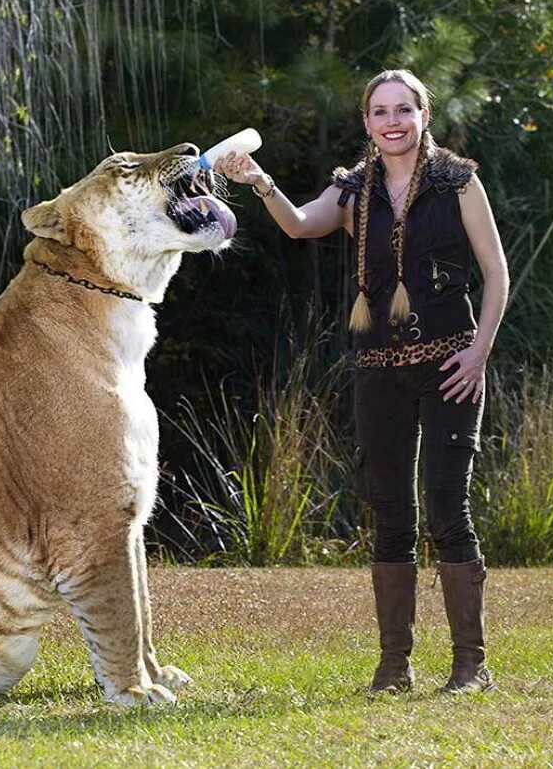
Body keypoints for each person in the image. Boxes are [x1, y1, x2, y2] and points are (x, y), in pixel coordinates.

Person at [214, 69, 509, 696]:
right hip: (378, 370)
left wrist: (480, 351)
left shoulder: (459, 181)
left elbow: (496, 273)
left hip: (452, 367)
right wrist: (258, 182)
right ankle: (394, 665)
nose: (392, 121)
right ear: (368, 123)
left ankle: (469, 665)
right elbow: (298, 225)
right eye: (380, 111)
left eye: (404, 109)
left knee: (447, 506)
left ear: (423, 115)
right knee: (391, 513)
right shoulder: (352, 191)